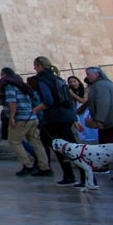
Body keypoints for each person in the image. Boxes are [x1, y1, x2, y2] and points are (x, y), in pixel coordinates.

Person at [31, 56, 80, 186]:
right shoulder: (57, 78)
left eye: (35, 66)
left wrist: (36, 109)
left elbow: (48, 100)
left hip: (54, 118)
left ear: (40, 66)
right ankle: (81, 175)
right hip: (66, 116)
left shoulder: (43, 80)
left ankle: (69, 175)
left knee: (60, 147)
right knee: (73, 146)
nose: (34, 69)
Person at [0, 66, 50, 177]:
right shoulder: (22, 85)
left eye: (1, 75)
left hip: (21, 118)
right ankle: (45, 167)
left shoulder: (9, 85)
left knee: (14, 141)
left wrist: (11, 117)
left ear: (5, 75)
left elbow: (12, 101)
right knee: (36, 142)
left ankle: (28, 165)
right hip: (32, 117)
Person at [83, 66, 113, 155]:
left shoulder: (100, 85)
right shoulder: (103, 84)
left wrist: (99, 119)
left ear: (96, 74)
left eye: (88, 74)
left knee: (109, 146)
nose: (87, 77)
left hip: (111, 121)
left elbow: (103, 103)